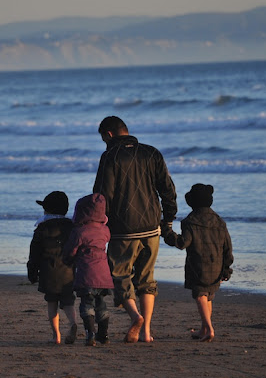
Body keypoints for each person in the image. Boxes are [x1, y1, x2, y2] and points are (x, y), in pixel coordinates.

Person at [93, 116, 178, 343]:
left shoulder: (110, 156)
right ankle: (147, 332)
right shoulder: (152, 153)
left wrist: (99, 224)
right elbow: (168, 190)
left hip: (123, 228)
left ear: (109, 135)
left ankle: (135, 317)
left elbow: (103, 195)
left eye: (103, 138)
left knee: (120, 275)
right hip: (152, 226)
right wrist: (167, 219)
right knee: (147, 280)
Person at [162, 184, 234, 342]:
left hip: (198, 265)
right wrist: (227, 268)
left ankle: (209, 328)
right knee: (208, 296)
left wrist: (167, 232)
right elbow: (227, 247)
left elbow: (182, 243)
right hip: (217, 265)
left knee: (200, 294)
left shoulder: (190, 222)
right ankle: (204, 328)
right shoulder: (219, 222)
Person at [62, 193, 114, 346]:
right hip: (103, 274)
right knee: (101, 304)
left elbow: (71, 251)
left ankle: (90, 334)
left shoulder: (79, 231)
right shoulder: (105, 230)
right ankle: (103, 335)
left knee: (86, 304)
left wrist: (67, 261)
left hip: (86, 274)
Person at [27, 191, 78, 345]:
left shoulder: (41, 228)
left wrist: (32, 272)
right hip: (68, 271)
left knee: (52, 303)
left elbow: (34, 253)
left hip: (48, 272)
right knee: (68, 302)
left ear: (47, 210)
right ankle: (72, 323)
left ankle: (56, 335)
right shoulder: (71, 227)